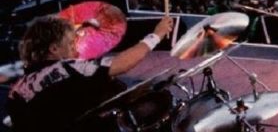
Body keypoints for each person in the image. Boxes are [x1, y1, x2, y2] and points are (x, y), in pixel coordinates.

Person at [6, 13, 174, 132]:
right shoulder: (68, 68)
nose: (75, 49)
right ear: (54, 48)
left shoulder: (16, 90)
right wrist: (157, 35)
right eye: (71, 44)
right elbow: (122, 64)